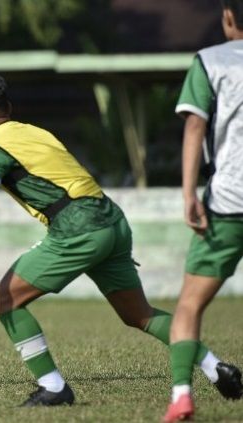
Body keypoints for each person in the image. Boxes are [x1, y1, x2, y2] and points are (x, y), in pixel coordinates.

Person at [0, 71, 239, 406]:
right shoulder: (35, 132)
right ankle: (216, 367)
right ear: (7, 107)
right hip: (111, 219)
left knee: (3, 300)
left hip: (78, 227)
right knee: (140, 315)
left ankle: (53, 387)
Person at [164, 1, 243, 421]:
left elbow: (194, 125)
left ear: (228, 17)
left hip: (229, 204)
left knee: (189, 307)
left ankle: (182, 396)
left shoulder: (210, 61)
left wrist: (188, 193)